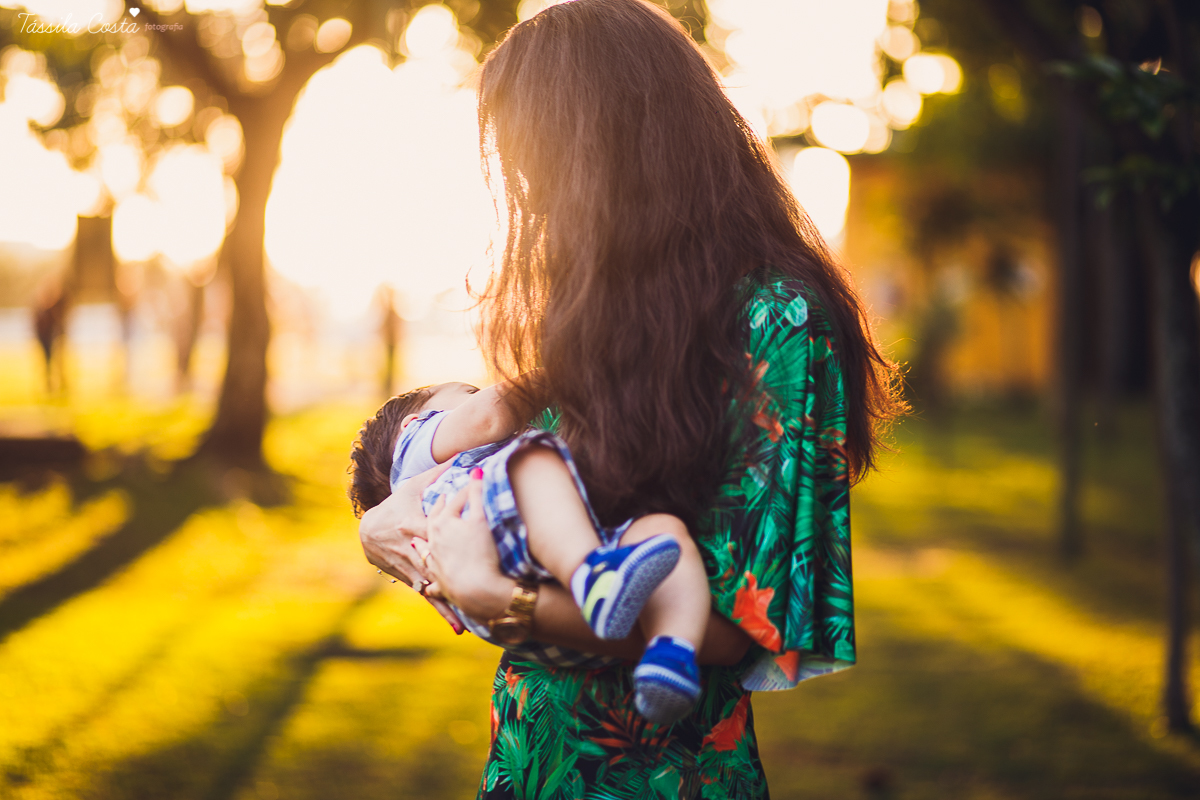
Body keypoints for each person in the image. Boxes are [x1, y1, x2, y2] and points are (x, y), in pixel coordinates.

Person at [359, 0, 904, 796]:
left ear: (608, 148)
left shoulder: (777, 322)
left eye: (535, 161)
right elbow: (504, 501)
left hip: (667, 774)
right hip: (529, 760)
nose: (528, 194)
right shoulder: (590, 313)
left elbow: (738, 629)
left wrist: (505, 604)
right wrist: (384, 523)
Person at [347, 378, 712, 723]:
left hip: (539, 629)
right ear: (414, 423)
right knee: (531, 457)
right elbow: (488, 415)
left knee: (661, 532)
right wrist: (566, 365)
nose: (484, 392)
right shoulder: (418, 441)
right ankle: (596, 578)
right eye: (471, 391)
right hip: (490, 528)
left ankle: (668, 657)